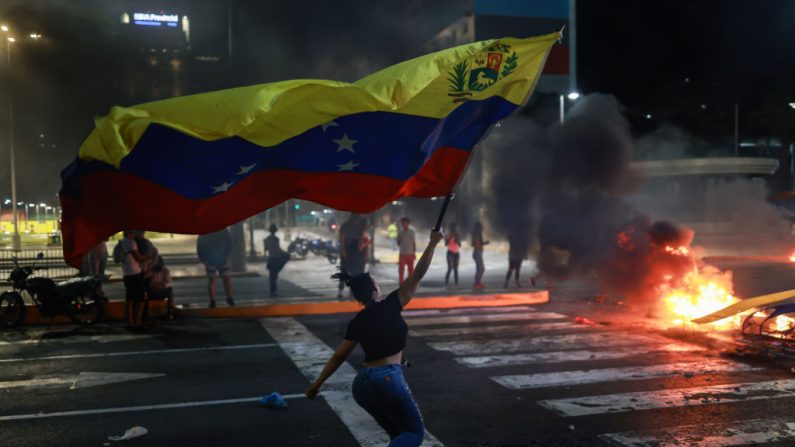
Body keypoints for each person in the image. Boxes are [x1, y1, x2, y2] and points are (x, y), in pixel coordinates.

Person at [305, 230, 444, 446]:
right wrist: (433, 244)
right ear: (374, 289)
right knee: (414, 434)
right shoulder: (391, 304)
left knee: (398, 435)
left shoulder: (357, 321)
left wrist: (317, 384)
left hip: (362, 385)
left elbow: (339, 356)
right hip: (387, 379)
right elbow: (417, 274)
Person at [197, 228, 234, 307]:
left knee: (213, 279)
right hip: (222, 257)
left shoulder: (205, 230)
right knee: (226, 278)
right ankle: (229, 298)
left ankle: (213, 300)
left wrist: (203, 258)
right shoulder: (223, 229)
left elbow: (200, 244)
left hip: (211, 258)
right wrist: (227, 255)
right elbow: (229, 242)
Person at [120, 230, 147, 329]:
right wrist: (148, 256)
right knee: (142, 297)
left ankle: (130, 322)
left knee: (130, 299)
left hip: (126, 273)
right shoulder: (131, 242)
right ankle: (138, 320)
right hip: (135, 272)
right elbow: (139, 259)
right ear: (129, 233)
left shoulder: (122, 242)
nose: (135, 235)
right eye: (133, 232)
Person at [338, 214, 368, 299]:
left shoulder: (361, 226)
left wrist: (365, 253)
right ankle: (341, 290)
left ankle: (352, 290)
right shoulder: (346, 226)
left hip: (357, 253)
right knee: (345, 272)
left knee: (355, 272)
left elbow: (364, 240)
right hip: (349, 252)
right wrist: (343, 251)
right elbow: (342, 239)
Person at [264, 224, 289, 297]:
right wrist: (286, 253)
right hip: (275, 259)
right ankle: (273, 291)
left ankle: (273, 291)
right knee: (274, 276)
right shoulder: (276, 239)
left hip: (270, 259)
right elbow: (278, 249)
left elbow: (265, 249)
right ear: (275, 231)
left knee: (272, 276)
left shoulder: (266, 239)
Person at [147, 255, 175, 320]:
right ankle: (145, 314)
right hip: (152, 291)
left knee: (171, 291)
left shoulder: (165, 270)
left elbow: (169, 282)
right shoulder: (149, 271)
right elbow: (147, 282)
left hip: (161, 290)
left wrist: (162, 285)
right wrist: (154, 285)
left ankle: (170, 313)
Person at [396, 217, 416, 285]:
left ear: (408, 224)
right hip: (402, 254)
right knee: (401, 270)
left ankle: (410, 283)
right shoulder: (400, 233)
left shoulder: (412, 232)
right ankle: (401, 283)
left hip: (410, 254)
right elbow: (398, 243)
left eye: (405, 223)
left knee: (411, 270)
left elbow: (414, 243)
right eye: (402, 223)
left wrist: (414, 253)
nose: (403, 225)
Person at [471, 222, 489, 289]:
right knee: (481, 269)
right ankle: (477, 283)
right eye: (481, 227)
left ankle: (477, 282)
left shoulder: (475, 234)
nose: (482, 228)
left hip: (477, 252)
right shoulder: (477, 234)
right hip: (477, 252)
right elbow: (475, 244)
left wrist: (484, 243)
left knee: (479, 269)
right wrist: (481, 245)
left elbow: (474, 244)